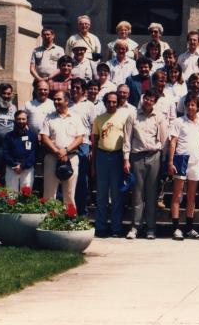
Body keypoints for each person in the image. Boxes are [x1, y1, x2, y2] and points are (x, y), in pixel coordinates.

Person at [123, 90, 167, 240]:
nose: (148, 101)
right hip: (136, 157)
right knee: (137, 194)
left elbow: (163, 139)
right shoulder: (133, 115)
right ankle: (135, 227)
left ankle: (150, 228)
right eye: (146, 98)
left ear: (155, 101)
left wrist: (162, 159)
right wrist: (126, 159)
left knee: (151, 194)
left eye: (151, 99)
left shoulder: (159, 117)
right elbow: (127, 139)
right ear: (142, 99)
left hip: (154, 156)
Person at [91, 91, 132, 237]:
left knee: (116, 194)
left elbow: (128, 139)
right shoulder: (98, 119)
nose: (112, 104)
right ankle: (101, 226)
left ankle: (116, 227)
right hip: (102, 156)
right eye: (109, 101)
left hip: (117, 157)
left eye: (114, 102)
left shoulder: (124, 117)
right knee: (101, 194)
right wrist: (93, 164)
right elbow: (94, 143)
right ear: (105, 102)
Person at [169, 95, 199, 240]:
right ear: (185, 106)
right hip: (180, 159)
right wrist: (170, 161)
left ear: (198, 108)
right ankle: (176, 228)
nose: (191, 107)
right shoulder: (178, 122)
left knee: (191, 196)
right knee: (177, 195)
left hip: (196, 161)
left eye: (193, 105)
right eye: (188, 105)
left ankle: (189, 228)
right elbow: (173, 142)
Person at [40, 90, 86, 205]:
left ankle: (69, 222)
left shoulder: (75, 117)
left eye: (59, 99)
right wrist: (57, 152)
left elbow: (80, 138)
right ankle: (48, 222)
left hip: (71, 158)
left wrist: (65, 150)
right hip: (52, 158)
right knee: (49, 194)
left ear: (66, 101)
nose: (55, 101)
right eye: (54, 99)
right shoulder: (49, 117)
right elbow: (44, 137)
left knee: (69, 195)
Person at [69, 78, 97, 215]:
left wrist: (92, 149)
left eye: (78, 88)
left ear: (84, 91)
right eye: (73, 87)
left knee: (81, 181)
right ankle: (68, 212)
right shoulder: (66, 104)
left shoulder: (89, 106)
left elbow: (93, 129)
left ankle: (81, 213)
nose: (74, 90)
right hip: (67, 144)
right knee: (67, 178)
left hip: (84, 145)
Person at [2, 110, 38, 192]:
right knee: (11, 194)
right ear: (15, 120)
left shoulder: (32, 135)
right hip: (12, 168)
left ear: (27, 120)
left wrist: (23, 166)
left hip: (27, 169)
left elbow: (34, 153)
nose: (21, 121)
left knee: (25, 195)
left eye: (23, 119)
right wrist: (14, 164)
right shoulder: (8, 136)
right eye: (18, 119)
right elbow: (5, 152)